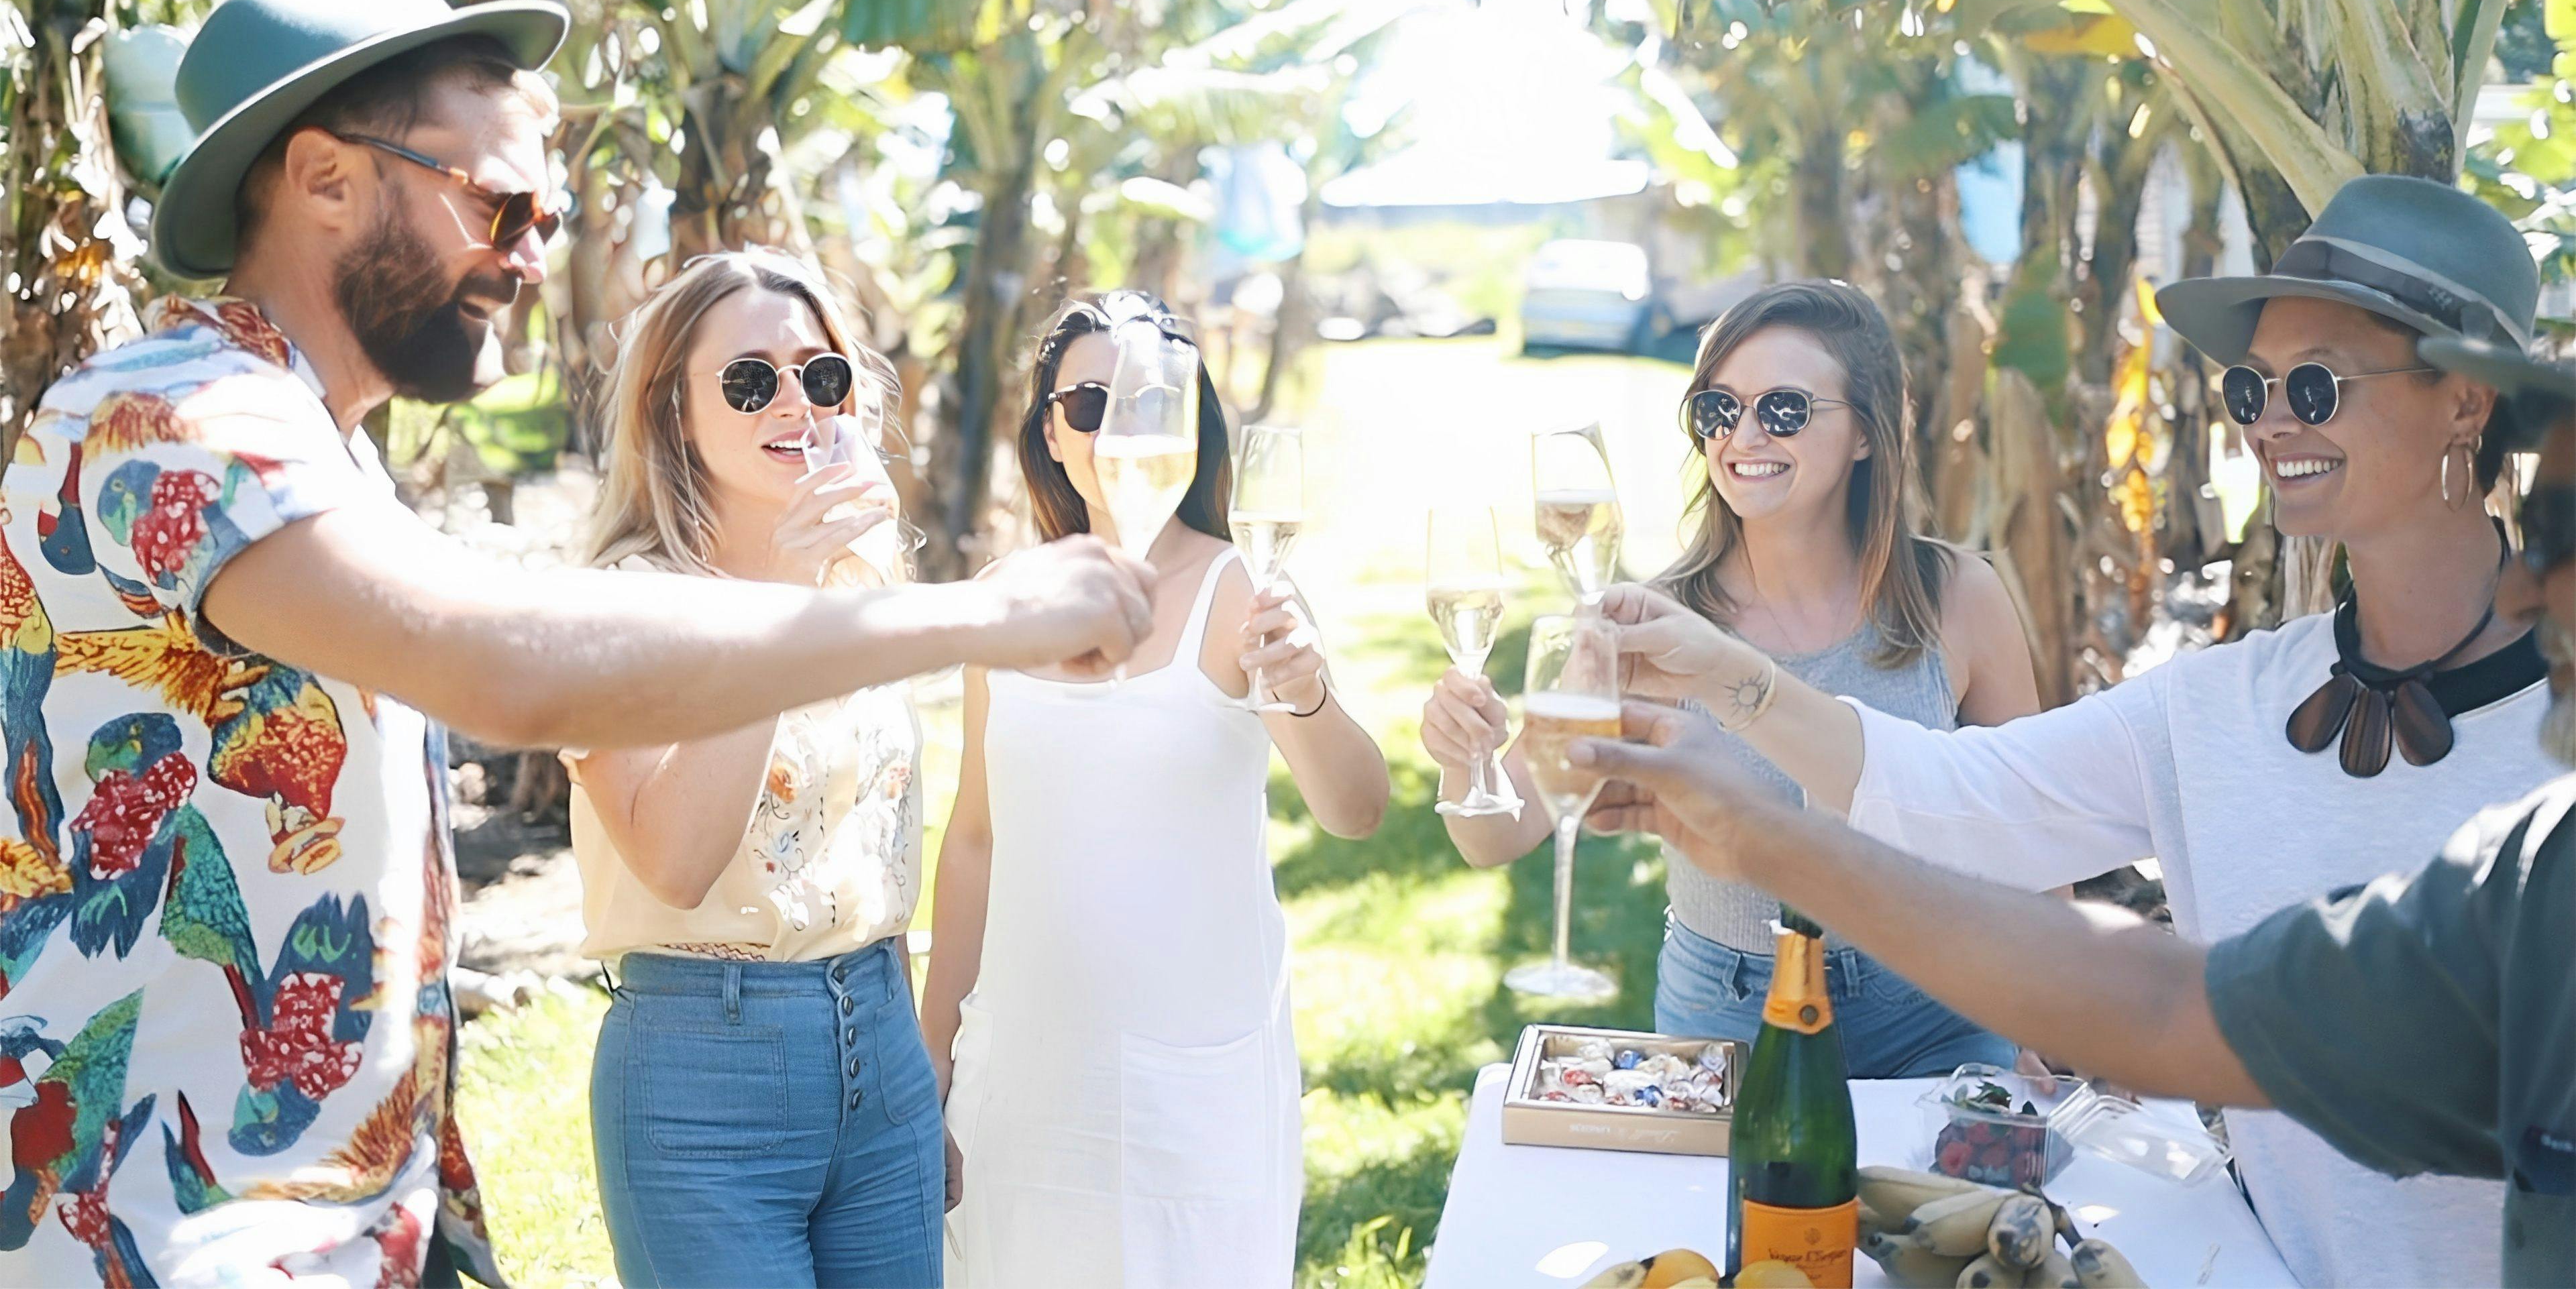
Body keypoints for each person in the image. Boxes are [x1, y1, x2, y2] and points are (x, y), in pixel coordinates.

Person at [0, 0, 1150, 1288]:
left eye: (544, 209)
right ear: (322, 179)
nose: (537, 253)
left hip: (325, 1221)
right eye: (497, 202)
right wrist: (975, 615)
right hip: (152, 1230)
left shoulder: (321, 446)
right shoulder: (172, 417)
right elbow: (504, 672)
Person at [1593, 174, 2554, 1288]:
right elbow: (1956, 798)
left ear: (2466, 402)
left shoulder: (2555, 739)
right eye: (2249, 388)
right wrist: (1735, 681)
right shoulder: (2215, 706)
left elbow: (2167, 1006)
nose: (2267, 421)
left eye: (2314, 385)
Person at [1421, 281, 2041, 1074]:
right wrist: (1460, 758)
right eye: (1718, 410)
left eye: (1781, 409)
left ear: (1865, 432)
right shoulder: (1656, 626)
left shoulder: (1959, 598)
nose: (1742, 435)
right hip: (1727, 1011)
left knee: (1951, 1202)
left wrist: (2035, 1033)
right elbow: (1498, 833)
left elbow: (2032, 835)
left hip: (1935, 1004)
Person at [924, 293, 1390, 1289]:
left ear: (1190, 429)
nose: (1116, 430)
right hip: (1024, 1079)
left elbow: (1356, 811)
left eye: (1148, 403)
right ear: (1051, 429)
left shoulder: (1242, 593)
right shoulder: (1002, 600)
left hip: (1196, 1089)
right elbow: (973, 841)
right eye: (1088, 403)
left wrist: (1305, 690)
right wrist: (935, 1057)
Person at [564, 249, 956, 1286]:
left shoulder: (860, 588)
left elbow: (878, 850)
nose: (796, 400)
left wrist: (909, 1074)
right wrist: (784, 597)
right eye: (750, 379)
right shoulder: (620, 608)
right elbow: (677, 861)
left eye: (821, 373)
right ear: (673, 413)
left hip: (882, 1056)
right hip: (704, 1075)